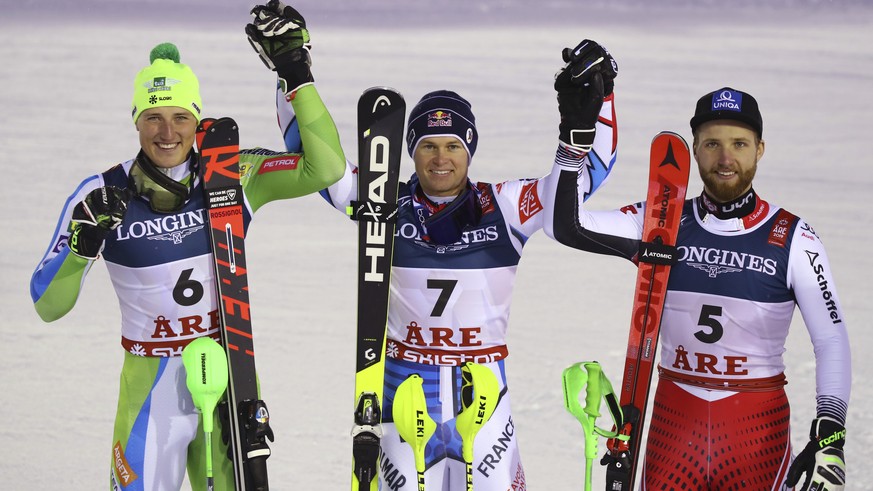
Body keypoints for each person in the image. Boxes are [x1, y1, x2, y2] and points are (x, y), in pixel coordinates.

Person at [246, 3, 619, 489]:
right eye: (427, 145)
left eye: (452, 146)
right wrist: (292, 73)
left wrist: (602, 94)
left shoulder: (505, 205)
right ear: (410, 151)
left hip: (484, 399)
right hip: (405, 395)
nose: (440, 158)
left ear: (469, 150)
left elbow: (586, 175)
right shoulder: (384, 200)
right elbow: (321, 164)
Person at [29, 30, 345, 491]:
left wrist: (296, 75)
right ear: (136, 120)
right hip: (150, 390)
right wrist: (81, 249)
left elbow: (328, 169)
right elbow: (47, 305)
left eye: (181, 116)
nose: (167, 131)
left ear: (197, 120)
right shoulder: (100, 195)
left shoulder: (234, 174)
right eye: (153, 117)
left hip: (230, 376)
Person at [544, 87, 851, 490]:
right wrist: (574, 142)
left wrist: (830, 435)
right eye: (712, 144)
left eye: (739, 144)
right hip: (674, 424)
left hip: (756, 432)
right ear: (694, 150)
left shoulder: (793, 238)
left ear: (759, 149)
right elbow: (563, 224)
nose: (725, 159)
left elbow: (831, 339)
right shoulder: (660, 221)